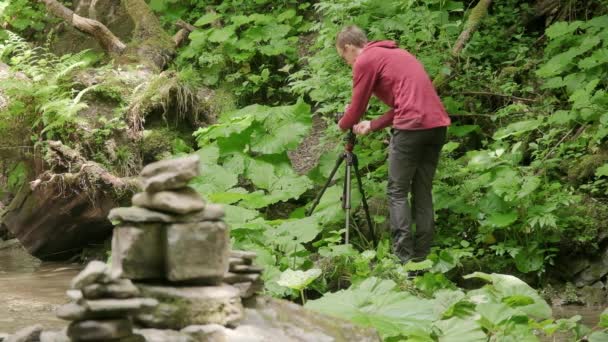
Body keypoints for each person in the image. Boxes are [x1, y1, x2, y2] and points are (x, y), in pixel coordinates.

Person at [336, 25, 451, 263]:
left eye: (343, 57)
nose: (347, 63)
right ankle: (422, 257)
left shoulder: (365, 60)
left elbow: (356, 108)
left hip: (412, 128)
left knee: (397, 192)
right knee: (422, 191)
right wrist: (374, 124)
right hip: (437, 126)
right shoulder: (398, 54)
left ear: (348, 47)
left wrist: (342, 124)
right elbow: (405, 104)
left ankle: (403, 260)